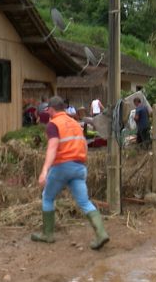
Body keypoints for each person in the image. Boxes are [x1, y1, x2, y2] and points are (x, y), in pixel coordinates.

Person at [31, 96, 109, 250]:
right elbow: (84, 146)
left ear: (51, 109)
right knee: (84, 202)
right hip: (79, 167)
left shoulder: (53, 124)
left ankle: (48, 234)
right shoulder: (75, 123)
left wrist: (44, 170)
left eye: (48, 110)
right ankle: (101, 234)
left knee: (47, 197)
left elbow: (52, 147)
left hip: (62, 166)